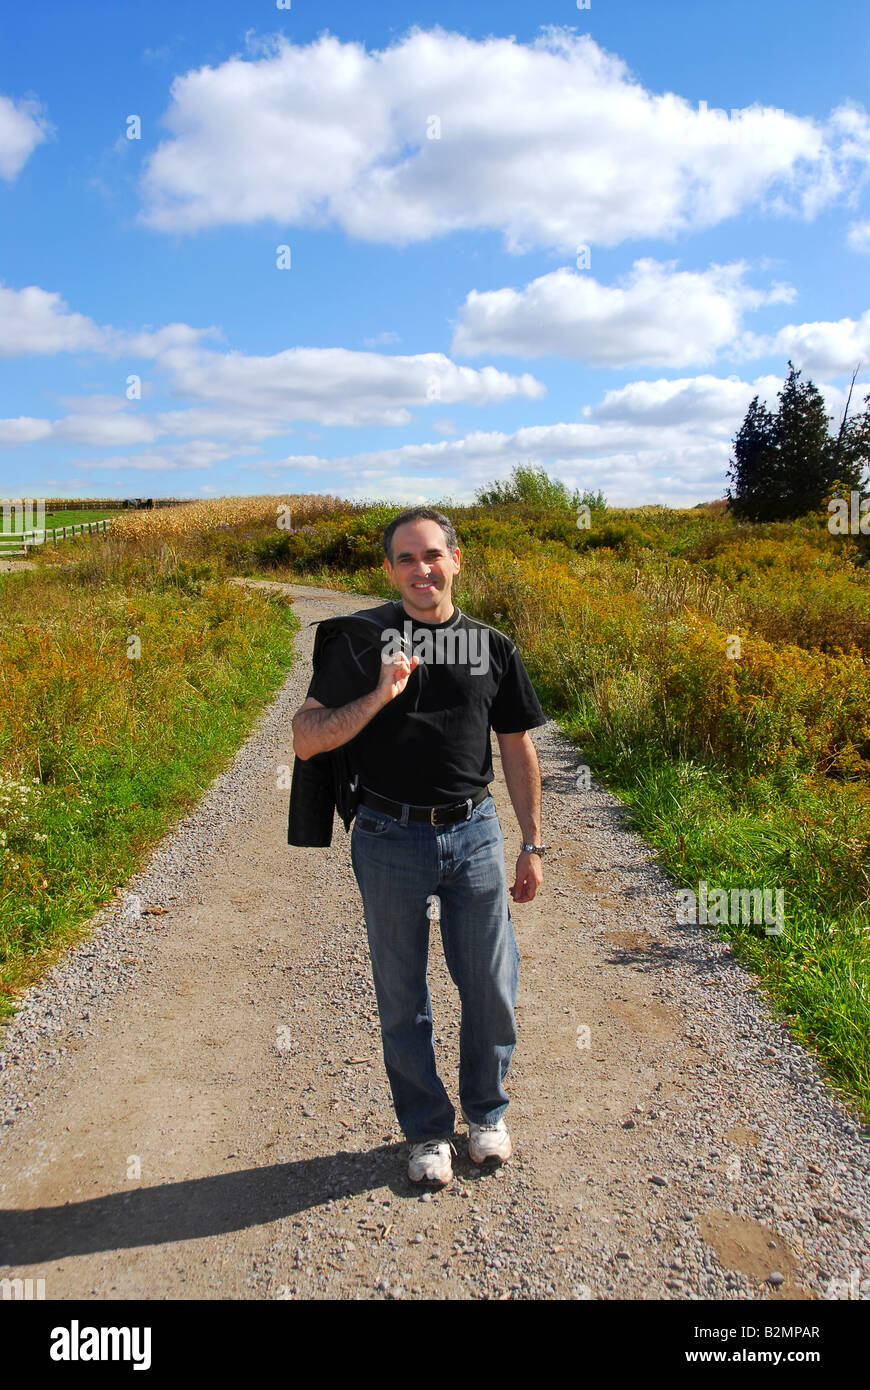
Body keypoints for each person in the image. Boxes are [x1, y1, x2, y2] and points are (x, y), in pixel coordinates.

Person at [292, 508, 547, 1186]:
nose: (421, 569)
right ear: (390, 570)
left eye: (431, 555)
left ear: (456, 560)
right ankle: (428, 1130)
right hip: (387, 835)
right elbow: (306, 737)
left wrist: (532, 843)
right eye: (406, 559)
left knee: (491, 983)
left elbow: (517, 746)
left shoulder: (493, 646)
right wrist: (380, 695)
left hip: (474, 832)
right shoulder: (362, 641)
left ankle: (486, 1114)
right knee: (402, 995)